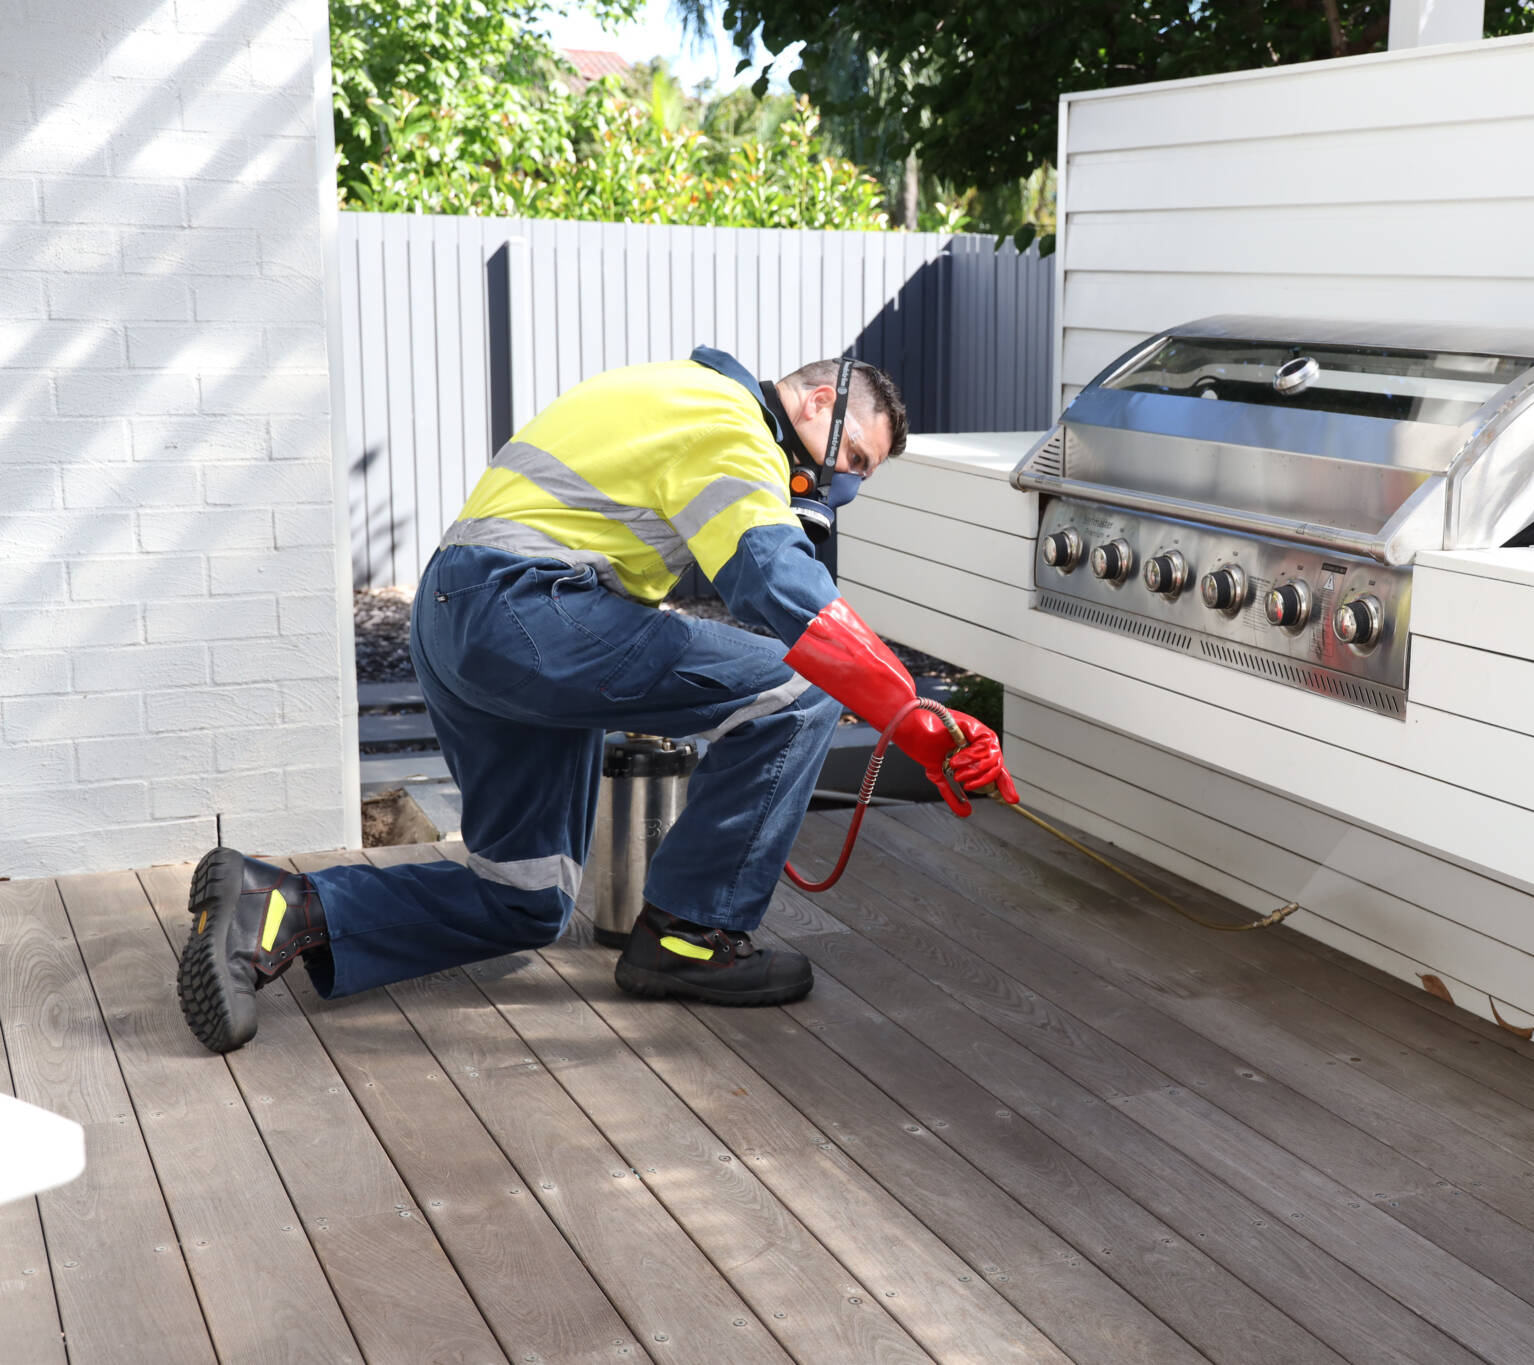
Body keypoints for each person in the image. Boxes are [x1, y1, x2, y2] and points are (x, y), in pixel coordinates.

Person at [176, 347, 1017, 1054]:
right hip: (523, 610)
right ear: (821, 399)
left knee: (527, 896)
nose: (845, 486)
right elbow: (775, 583)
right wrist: (911, 710)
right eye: (855, 461)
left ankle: (276, 906)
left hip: (461, 615)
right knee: (795, 686)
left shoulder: (672, 394)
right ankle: (691, 936)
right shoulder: (728, 421)